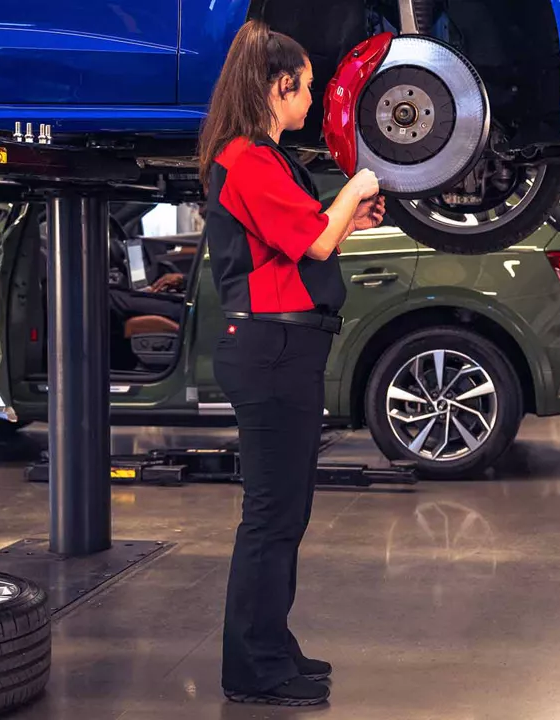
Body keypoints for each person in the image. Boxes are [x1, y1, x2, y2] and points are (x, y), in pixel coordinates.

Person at [197, 21, 384, 706]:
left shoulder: (269, 162)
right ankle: (251, 668)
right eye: (306, 87)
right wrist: (354, 184)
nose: (313, 99)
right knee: (272, 516)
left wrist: (349, 215)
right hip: (271, 352)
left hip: (286, 348)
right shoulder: (245, 158)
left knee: (287, 514)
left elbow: (310, 237)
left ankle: (273, 645)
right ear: (277, 87)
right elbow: (312, 246)